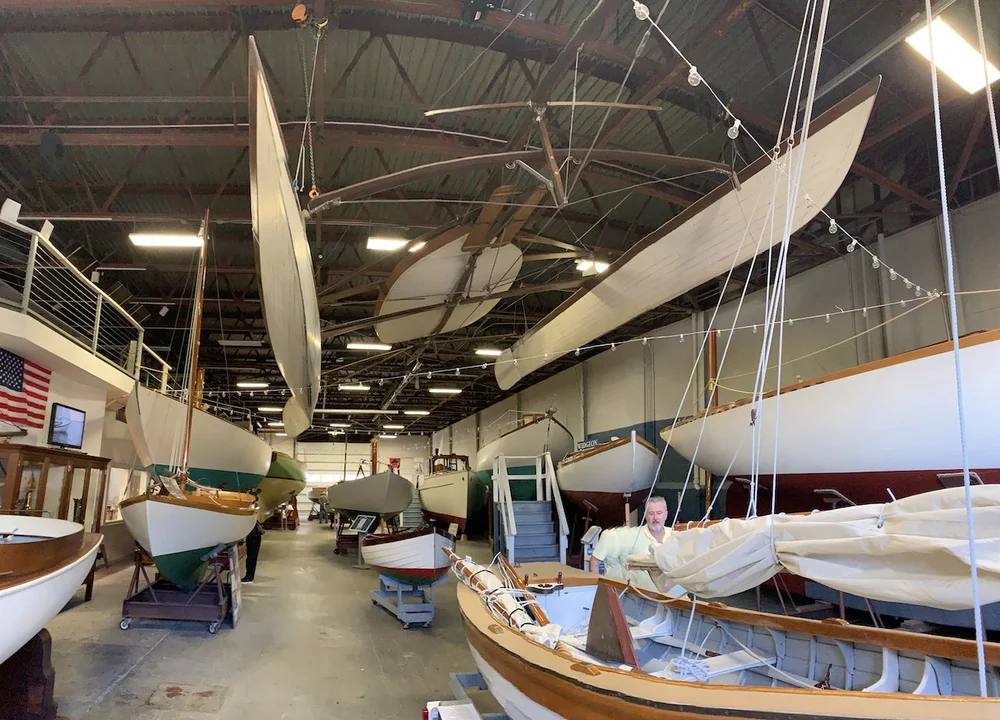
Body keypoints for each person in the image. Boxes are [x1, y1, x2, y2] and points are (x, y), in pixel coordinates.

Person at [588, 496, 670, 592]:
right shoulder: (631, 536)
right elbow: (594, 561)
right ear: (645, 515)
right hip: (645, 598)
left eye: (659, 513)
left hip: (678, 598)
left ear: (666, 515)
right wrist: (597, 592)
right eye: (651, 513)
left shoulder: (675, 535)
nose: (655, 518)